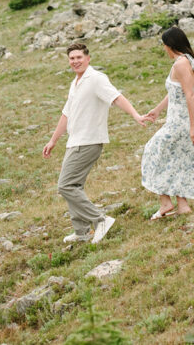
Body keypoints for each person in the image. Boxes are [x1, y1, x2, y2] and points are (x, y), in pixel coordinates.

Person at [43, 42, 149, 244]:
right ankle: (81, 231)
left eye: (79, 57)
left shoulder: (96, 79)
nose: (75, 61)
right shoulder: (75, 83)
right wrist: (53, 140)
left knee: (65, 186)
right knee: (74, 186)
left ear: (88, 58)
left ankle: (100, 220)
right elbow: (66, 114)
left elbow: (116, 97)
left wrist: (136, 115)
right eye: (72, 58)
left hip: (89, 141)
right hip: (74, 141)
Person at [141, 26, 194, 218]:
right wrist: (157, 110)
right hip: (182, 119)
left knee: (152, 151)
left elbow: (189, 95)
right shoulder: (190, 61)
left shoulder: (180, 64)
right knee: (178, 159)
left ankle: (165, 203)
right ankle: (182, 205)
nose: (164, 50)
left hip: (180, 121)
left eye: (164, 46)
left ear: (170, 45)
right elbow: (176, 91)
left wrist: (193, 126)